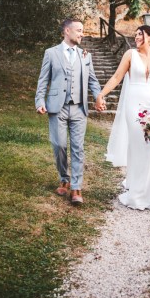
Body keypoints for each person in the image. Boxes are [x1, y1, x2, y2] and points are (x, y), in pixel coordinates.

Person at [95, 25, 150, 210]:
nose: (136, 37)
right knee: (138, 146)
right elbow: (116, 77)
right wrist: (101, 94)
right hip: (133, 106)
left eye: (140, 34)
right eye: (135, 34)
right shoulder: (130, 54)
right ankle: (136, 192)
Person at [35, 19, 105, 205]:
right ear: (67, 31)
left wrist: (98, 96)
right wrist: (40, 101)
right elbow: (43, 80)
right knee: (59, 145)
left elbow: (93, 80)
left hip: (79, 108)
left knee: (77, 148)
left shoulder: (85, 55)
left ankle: (76, 187)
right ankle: (64, 178)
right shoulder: (51, 53)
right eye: (79, 30)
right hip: (57, 107)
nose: (82, 34)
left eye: (82, 30)